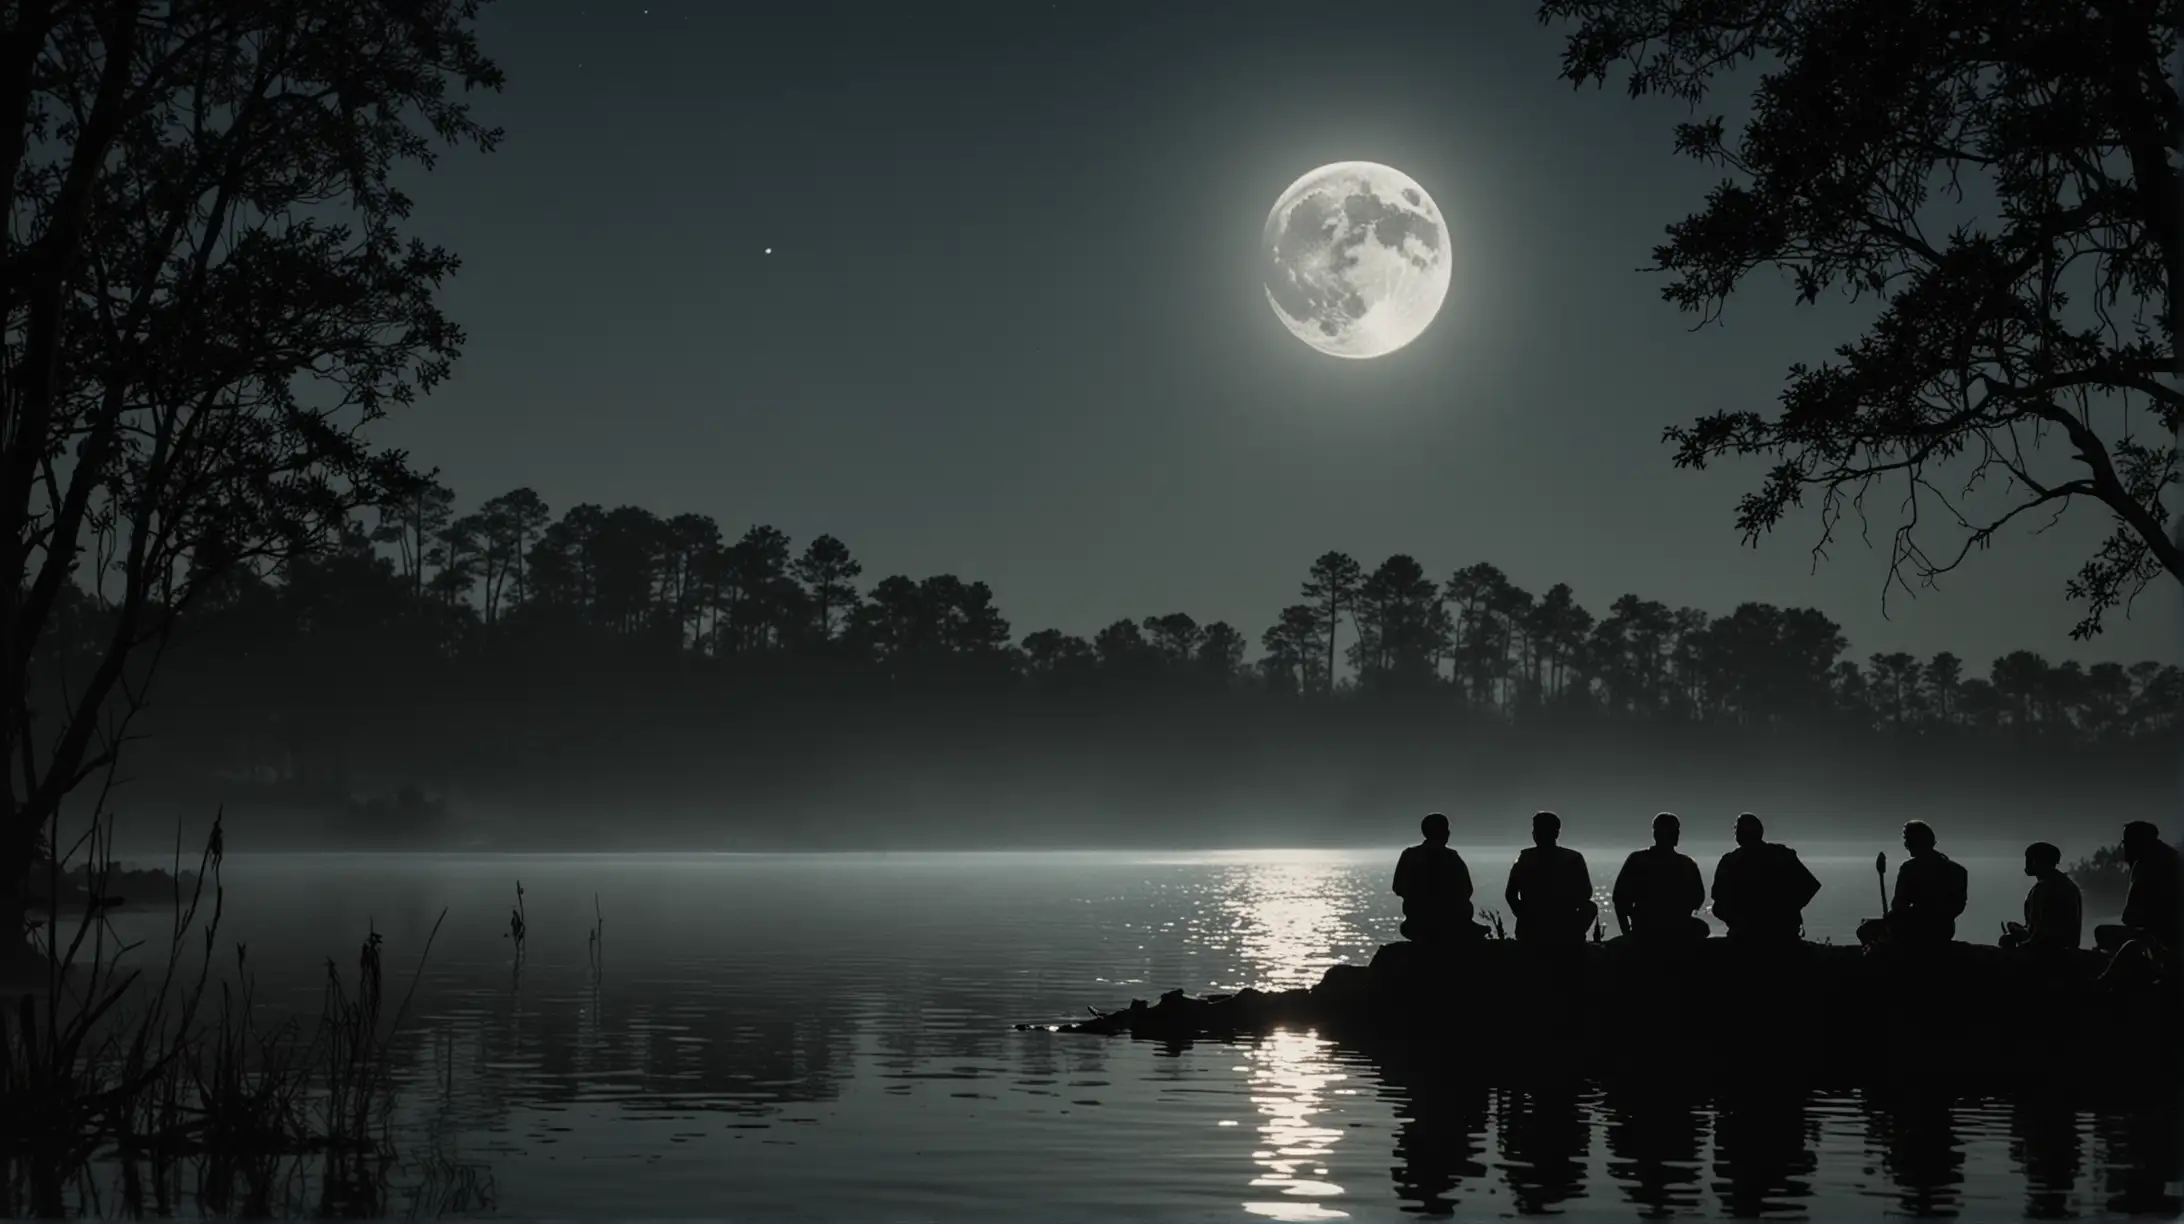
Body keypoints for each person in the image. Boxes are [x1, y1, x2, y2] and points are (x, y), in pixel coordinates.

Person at [1709, 814, 1821, 944]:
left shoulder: (1729, 861)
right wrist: (1789, 910)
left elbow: (1718, 900)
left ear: (1739, 835)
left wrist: (1738, 920)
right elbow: (1810, 886)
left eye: (1737, 831)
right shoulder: (1782, 854)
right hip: (1783, 929)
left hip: (1743, 931)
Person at [1861, 820, 1968, 949]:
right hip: (1945, 930)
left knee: (1865, 929)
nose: (1906, 845)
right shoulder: (1958, 870)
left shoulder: (1909, 868)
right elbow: (1958, 905)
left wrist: (1890, 919)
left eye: (1908, 841)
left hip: (1912, 929)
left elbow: (1899, 906)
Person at [1612, 813, 1709, 944]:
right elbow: (1697, 899)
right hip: (1675, 925)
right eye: (1674, 831)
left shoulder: (1637, 860)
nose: (1676, 835)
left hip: (1645, 925)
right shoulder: (1686, 864)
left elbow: (1619, 899)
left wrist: (1627, 931)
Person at [2094, 821, 2181, 963]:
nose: (2125, 847)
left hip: (2161, 938)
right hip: (2169, 934)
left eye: (2126, 842)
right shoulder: (2171, 857)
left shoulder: (2145, 864)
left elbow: (2132, 916)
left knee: (2102, 933)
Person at [1393, 813, 1484, 946]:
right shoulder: (1452, 857)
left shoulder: (1409, 855)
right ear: (1442, 832)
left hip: (1416, 922)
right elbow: (1467, 890)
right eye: (1446, 829)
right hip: (1448, 922)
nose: (1448, 833)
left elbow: (1398, 887)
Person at [1505, 811, 1596, 944]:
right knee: (1591, 907)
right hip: (1563, 922)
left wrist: (1524, 915)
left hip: (1533, 923)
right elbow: (1586, 893)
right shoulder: (1573, 858)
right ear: (1556, 833)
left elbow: (1510, 894)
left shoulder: (1524, 858)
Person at [2000, 842, 2082, 952]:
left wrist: (2018, 944)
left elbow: (2039, 938)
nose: (2027, 864)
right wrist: (2023, 931)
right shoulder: (2070, 886)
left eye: (2030, 859)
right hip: (2067, 950)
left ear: (2041, 862)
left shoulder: (2042, 889)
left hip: (2047, 954)